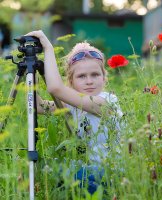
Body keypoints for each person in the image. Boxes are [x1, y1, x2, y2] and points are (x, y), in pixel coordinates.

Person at [25, 30, 122, 195]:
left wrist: (48, 48)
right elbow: (38, 107)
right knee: (57, 173)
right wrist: (30, 72)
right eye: (82, 76)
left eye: (95, 75)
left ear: (104, 77)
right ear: (71, 81)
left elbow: (55, 88)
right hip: (89, 173)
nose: (89, 81)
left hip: (111, 174)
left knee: (74, 178)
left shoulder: (107, 101)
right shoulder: (72, 104)